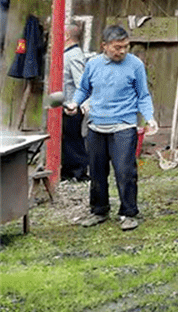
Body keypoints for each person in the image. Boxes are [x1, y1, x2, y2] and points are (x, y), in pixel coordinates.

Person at [65, 25, 158, 231]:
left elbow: (143, 95)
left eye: (126, 46)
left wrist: (150, 118)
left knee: (125, 171)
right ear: (104, 46)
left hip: (124, 125)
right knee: (97, 172)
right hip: (96, 124)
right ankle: (99, 210)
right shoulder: (93, 64)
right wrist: (74, 103)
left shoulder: (135, 65)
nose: (122, 51)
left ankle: (128, 213)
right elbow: (83, 89)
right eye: (117, 47)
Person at [61, 23, 89, 181]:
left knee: (73, 140)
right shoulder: (66, 54)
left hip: (71, 106)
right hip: (63, 105)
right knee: (66, 140)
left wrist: (78, 105)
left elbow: (81, 84)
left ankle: (79, 172)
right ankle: (67, 171)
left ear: (66, 36)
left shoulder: (74, 55)